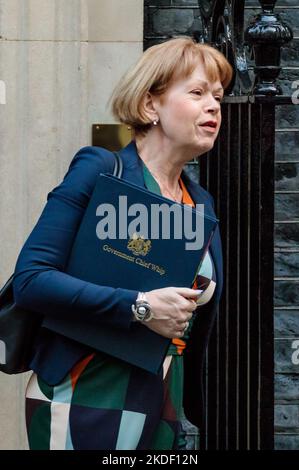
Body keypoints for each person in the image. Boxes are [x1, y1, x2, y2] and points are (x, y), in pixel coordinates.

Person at [12, 36, 232, 450]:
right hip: (86, 390)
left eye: (218, 96)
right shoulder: (102, 171)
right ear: (151, 105)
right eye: (198, 92)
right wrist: (140, 306)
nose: (214, 106)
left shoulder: (200, 202)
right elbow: (32, 279)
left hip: (165, 399)